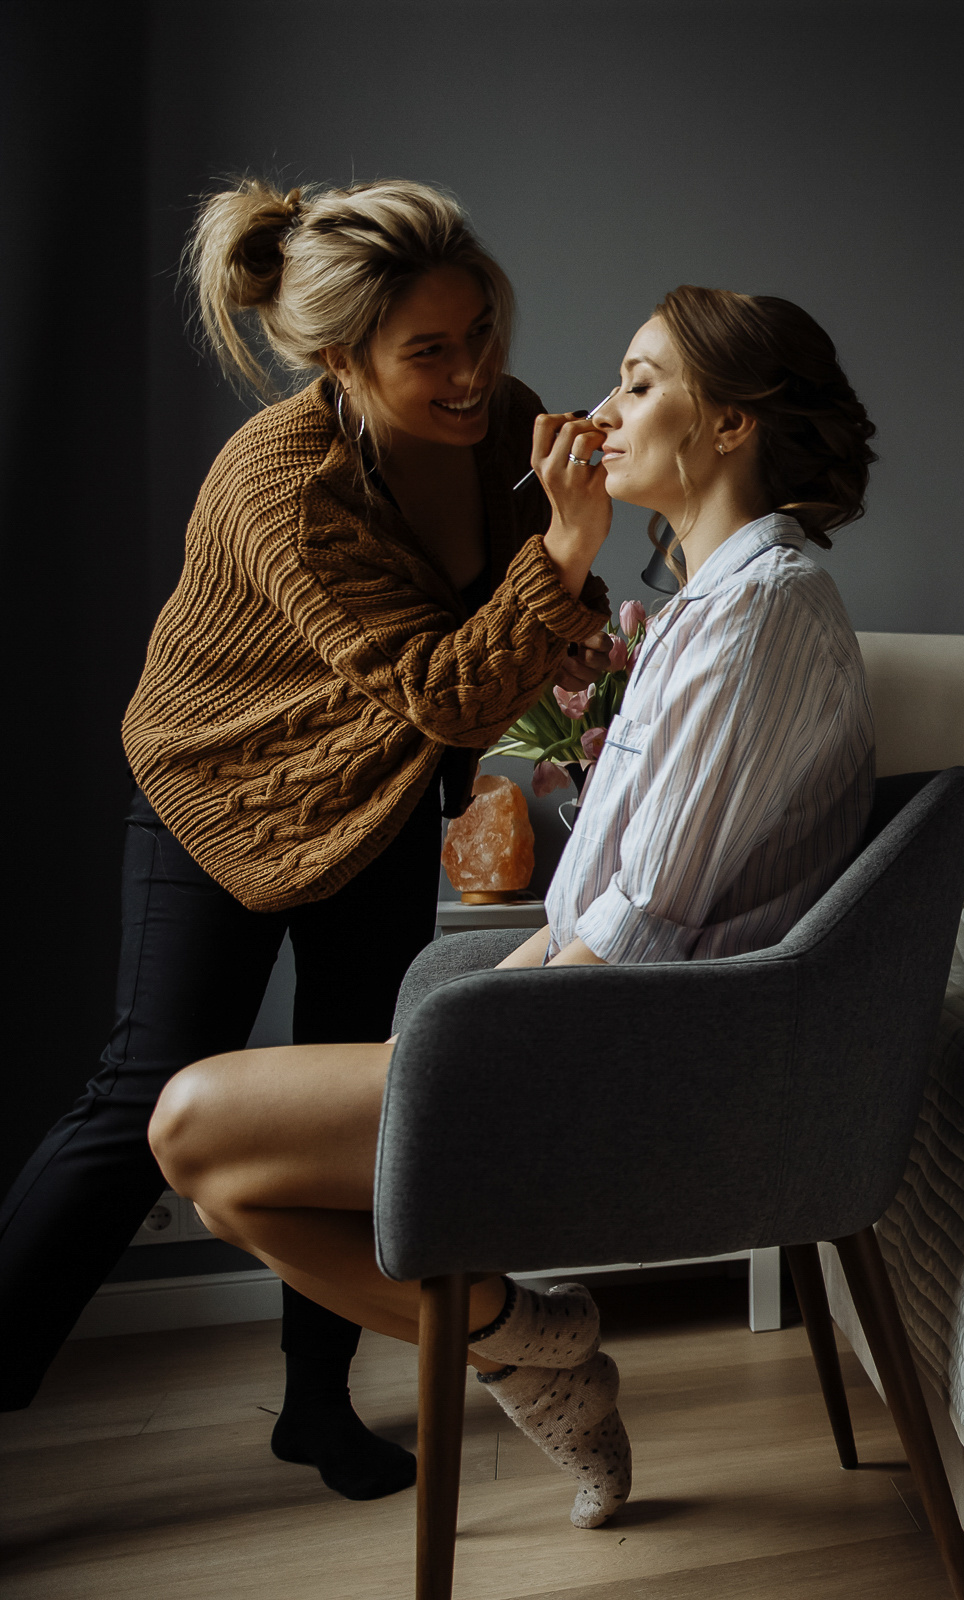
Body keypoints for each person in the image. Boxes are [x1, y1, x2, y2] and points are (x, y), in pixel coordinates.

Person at [147, 285, 881, 1530]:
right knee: (224, 1175)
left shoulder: (761, 614)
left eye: (641, 383)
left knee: (192, 1124)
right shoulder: (706, 610)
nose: (600, 409)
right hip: (593, 1026)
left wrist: (474, 1040)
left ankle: (528, 1343)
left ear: (729, 427)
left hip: (652, 1058)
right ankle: (532, 1343)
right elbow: (601, 895)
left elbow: (640, 926)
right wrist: (469, 1018)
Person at [0, 177, 616, 1501]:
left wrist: (583, 596)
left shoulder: (496, 419)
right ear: (341, 357)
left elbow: (528, 615)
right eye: (431, 352)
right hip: (217, 790)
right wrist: (563, 554)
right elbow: (455, 684)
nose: (473, 375)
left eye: (481, 333)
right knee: (139, 1099)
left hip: (376, 796)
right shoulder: (282, 482)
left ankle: (317, 1409)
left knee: (349, 1116)